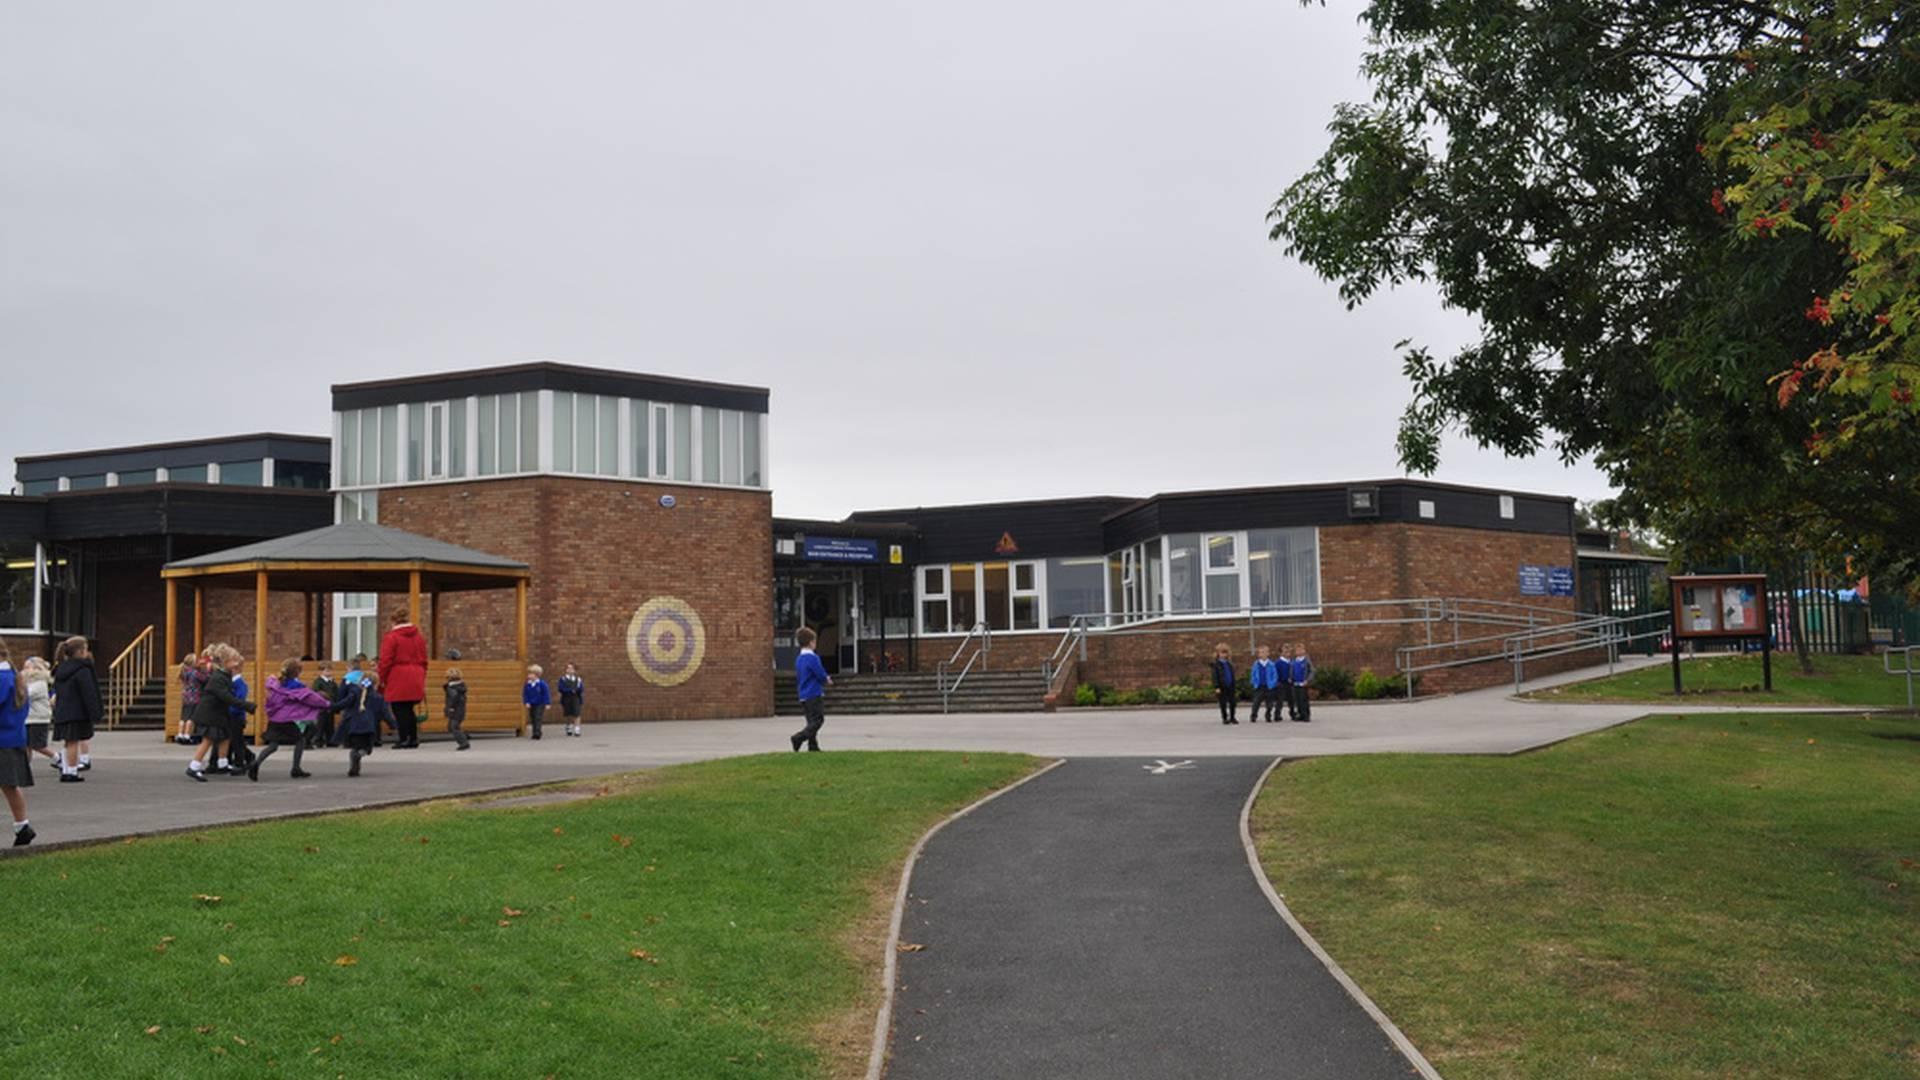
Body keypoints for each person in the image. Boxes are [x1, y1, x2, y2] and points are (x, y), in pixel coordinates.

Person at [250, 658, 332, 781]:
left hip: (274, 718)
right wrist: (326, 704)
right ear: (297, 672)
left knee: (273, 745)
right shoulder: (296, 686)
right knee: (300, 740)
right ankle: (296, 768)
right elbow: (311, 698)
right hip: (286, 719)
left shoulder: (276, 683)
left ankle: (256, 763)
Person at [186, 645, 256, 781]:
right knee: (208, 740)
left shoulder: (224, 676)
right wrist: (247, 706)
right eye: (233, 660)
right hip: (210, 714)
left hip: (218, 713)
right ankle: (193, 767)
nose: (236, 663)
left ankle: (222, 763)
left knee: (225, 736)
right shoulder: (218, 678)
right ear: (224, 662)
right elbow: (226, 697)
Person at [51, 636, 102, 781]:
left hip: (63, 710)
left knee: (68, 742)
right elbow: (89, 693)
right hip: (77, 712)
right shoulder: (83, 670)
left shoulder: (61, 669)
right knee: (74, 742)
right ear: (80, 652)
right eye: (86, 649)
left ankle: (66, 769)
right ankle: (72, 772)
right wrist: (94, 712)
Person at [0, 642, 35, 846]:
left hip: (2, 739)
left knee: (8, 785)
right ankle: (22, 825)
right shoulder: (15, 677)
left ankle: (22, 826)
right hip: (13, 736)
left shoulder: (2, 680)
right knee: (9, 786)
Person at [377, 610, 428, 749]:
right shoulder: (419, 637)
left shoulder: (392, 637)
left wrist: (381, 677)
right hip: (417, 673)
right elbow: (424, 659)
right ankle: (413, 738)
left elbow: (385, 660)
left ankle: (404, 738)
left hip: (398, 675)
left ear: (393, 621)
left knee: (399, 709)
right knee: (409, 709)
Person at [330, 672, 392, 777]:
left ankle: (355, 767)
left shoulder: (354, 693)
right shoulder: (378, 697)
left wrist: (332, 707)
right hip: (367, 728)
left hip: (352, 726)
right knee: (367, 749)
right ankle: (358, 755)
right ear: (376, 683)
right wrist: (393, 725)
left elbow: (344, 703)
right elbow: (385, 713)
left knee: (355, 746)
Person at [789, 626, 832, 752]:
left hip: (803, 694)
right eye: (814, 642)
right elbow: (819, 673)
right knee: (818, 720)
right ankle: (798, 738)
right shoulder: (813, 658)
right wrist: (826, 679)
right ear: (811, 642)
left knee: (810, 722)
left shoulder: (799, 659)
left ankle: (813, 746)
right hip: (814, 693)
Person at [22, 657, 58, 768]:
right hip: (29, 718)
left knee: (38, 745)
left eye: (29, 667)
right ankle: (24, 766)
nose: (25, 670)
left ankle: (58, 758)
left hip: (38, 719)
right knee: (26, 745)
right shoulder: (29, 682)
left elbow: (27, 695)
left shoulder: (40, 683)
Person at [174, 651, 204, 745]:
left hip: (185, 696)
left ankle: (180, 734)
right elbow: (204, 679)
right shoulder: (195, 673)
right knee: (191, 718)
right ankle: (187, 735)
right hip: (194, 697)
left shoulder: (184, 672)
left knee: (183, 717)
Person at [1249, 645, 1283, 724]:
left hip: (1269, 686)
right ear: (1259, 654)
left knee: (1269, 703)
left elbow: (1275, 675)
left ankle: (1268, 715)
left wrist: (1272, 684)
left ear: (1268, 653)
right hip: (1259, 686)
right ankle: (1253, 715)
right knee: (1256, 702)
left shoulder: (1271, 664)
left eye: (1265, 652)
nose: (1263, 654)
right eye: (1261, 652)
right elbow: (1253, 674)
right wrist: (1254, 683)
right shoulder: (1256, 664)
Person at [309, 661, 339, 748]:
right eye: (326, 670)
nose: (329, 672)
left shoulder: (333, 683)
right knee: (321, 724)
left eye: (330, 670)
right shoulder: (318, 681)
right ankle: (318, 740)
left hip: (331, 706)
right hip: (321, 707)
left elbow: (336, 693)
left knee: (330, 724)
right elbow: (315, 692)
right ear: (321, 671)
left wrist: (336, 705)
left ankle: (331, 740)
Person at [1210, 643, 1238, 725]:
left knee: (1233, 702)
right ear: (1218, 653)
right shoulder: (1216, 665)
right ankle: (1225, 717)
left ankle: (1232, 717)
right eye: (1222, 653)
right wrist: (1217, 686)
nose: (1223, 655)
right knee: (1223, 703)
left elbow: (1232, 675)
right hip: (1222, 687)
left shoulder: (1229, 664)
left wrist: (1234, 684)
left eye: (1225, 653)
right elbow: (1215, 677)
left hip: (1230, 686)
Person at [443, 667, 470, 751]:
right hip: (460, 710)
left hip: (455, 710)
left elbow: (453, 699)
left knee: (454, 727)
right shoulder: (459, 686)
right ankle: (464, 736)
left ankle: (463, 743)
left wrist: (451, 708)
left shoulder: (452, 688)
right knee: (451, 727)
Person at [1288, 643, 1314, 723]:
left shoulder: (1306, 661)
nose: (1299, 652)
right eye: (1297, 650)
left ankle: (1306, 715)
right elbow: (1291, 671)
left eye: (1301, 650)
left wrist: (1308, 680)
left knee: (1303, 700)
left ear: (1304, 651)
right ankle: (1300, 715)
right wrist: (1290, 678)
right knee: (1297, 700)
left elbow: (1312, 671)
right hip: (1295, 683)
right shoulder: (1294, 661)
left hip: (1303, 683)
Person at [522, 665, 550, 740]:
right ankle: (535, 731)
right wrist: (526, 702)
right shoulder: (528, 684)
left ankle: (537, 733)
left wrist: (547, 703)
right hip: (531, 703)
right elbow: (525, 694)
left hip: (540, 703)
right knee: (533, 717)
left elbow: (546, 693)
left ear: (537, 675)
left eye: (531, 674)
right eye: (529, 674)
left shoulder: (541, 684)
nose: (529, 676)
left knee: (538, 717)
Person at [557, 664, 585, 737]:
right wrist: (569, 690)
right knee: (568, 713)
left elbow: (581, 688)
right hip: (566, 697)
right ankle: (568, 726)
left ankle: (577, 728)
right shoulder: (563, 679)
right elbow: (560, 688)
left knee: (577, 712)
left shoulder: (578, 679)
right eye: (568, 668)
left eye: (572, 668)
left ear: (575, 670)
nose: (570, 670)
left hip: (576, 697)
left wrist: (577, 690)